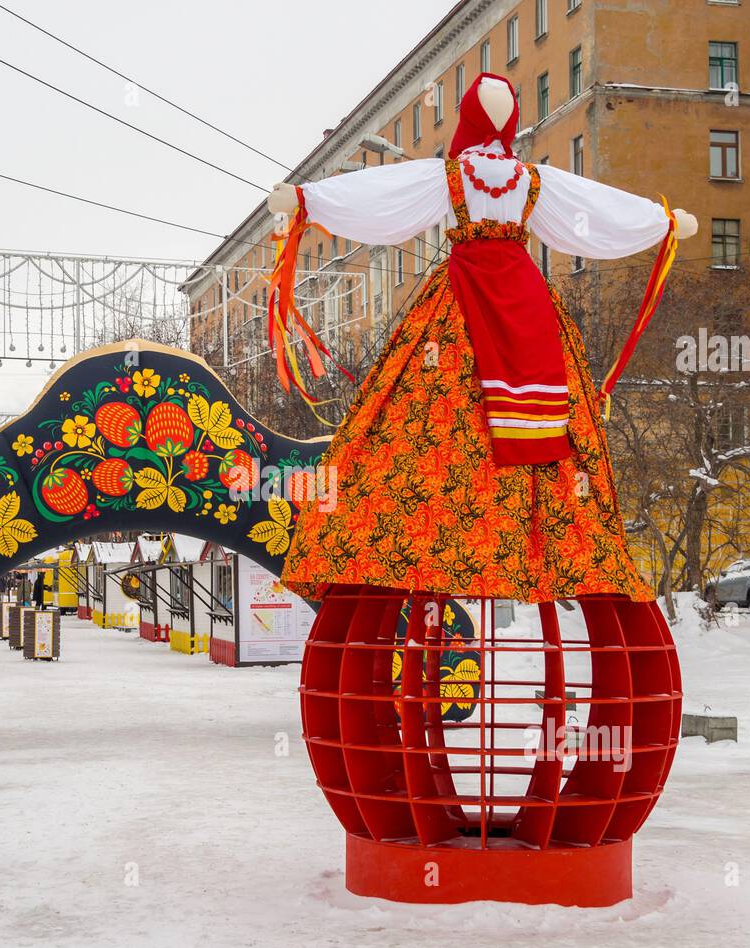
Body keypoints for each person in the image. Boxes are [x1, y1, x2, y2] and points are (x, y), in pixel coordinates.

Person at [271, 73, 697, 604]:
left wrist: (307, 199)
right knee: (550, 421)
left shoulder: (452, 175)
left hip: (459, 302)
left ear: (467, 116)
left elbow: (381, 196)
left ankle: (414, 540)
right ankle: (539, 547)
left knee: (417, 420)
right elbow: (596, 208)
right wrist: (661, 222)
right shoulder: (531, 179)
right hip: (527, 307)